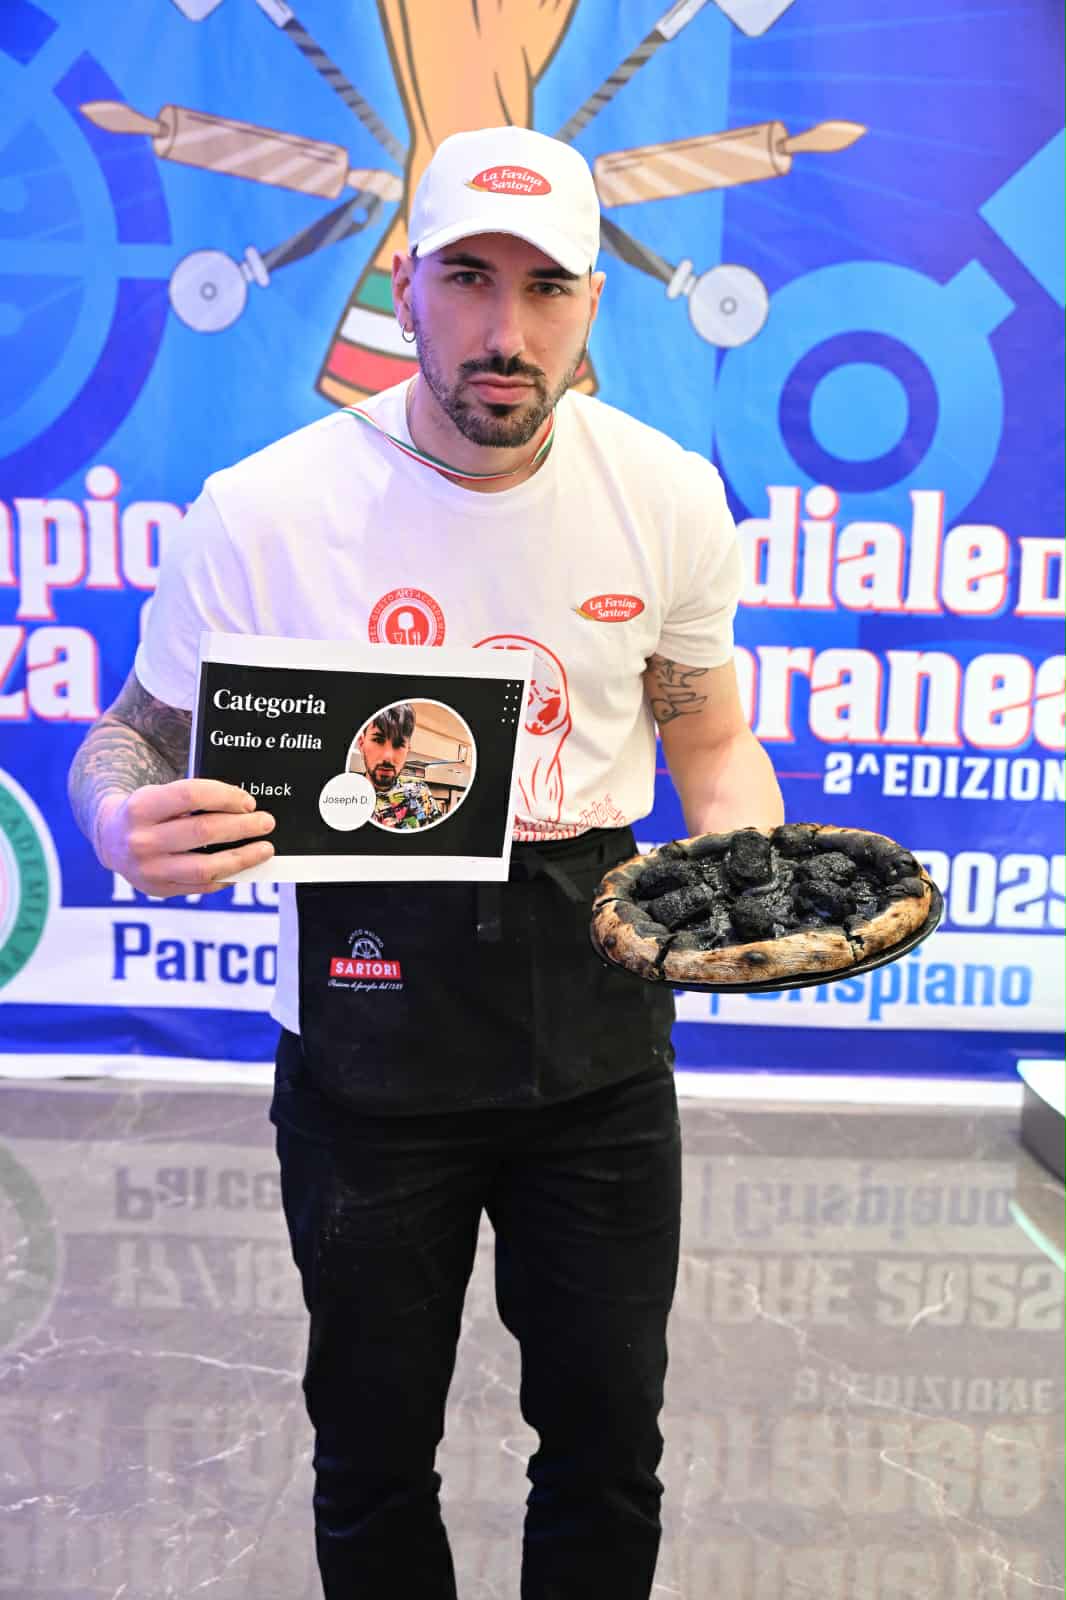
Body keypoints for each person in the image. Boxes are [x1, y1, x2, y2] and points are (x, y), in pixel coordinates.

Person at [68, 125, 783, 1600]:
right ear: (403, 285)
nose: (504, 328)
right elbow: (128, 738)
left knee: (607, 1444)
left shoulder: (664, 496)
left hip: (597, 1028)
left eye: (546, 286)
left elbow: (710, 745)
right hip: (364, 1038)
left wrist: (749, 879)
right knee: (370, 1450)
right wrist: (115, 823)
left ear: (593, 304)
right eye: (467, 277)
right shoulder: (265, 510)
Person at [351, 701, 445, 829]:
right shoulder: (348, 798)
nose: (388, 757)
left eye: (398, 744)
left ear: (407, 750)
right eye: (378, 740)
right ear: (362, 743)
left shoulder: (420, 792)